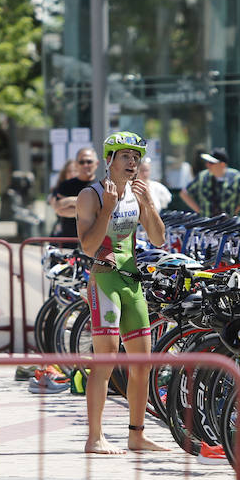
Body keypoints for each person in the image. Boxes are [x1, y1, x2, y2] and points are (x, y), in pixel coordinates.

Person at [74, 132, 167, 455]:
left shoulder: (137, 193)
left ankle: (136, 435)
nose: (132, 162)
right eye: (125, 156)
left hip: (132, 282)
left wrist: (148, 204)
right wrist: (107, 209)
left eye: (136, 157)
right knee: (106, 361)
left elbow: (157, 239)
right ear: (109, 160)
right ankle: (95, 437)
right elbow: (87, 246)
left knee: (142, 363)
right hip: (104, 282)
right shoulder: (92, 195)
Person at [180, 148, 240, 217]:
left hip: (228, 226)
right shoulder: (203, 176)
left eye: (212, 163)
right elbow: (184, 193)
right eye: (207, 162)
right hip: (206, 226)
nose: (207, 165)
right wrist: (199, 210)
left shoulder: (236, 177)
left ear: (222, 164)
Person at [48, 146, 99, 238]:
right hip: (68, 242)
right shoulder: (66, 185)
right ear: (76, 164)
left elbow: (101, 212)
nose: (85, 165)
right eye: (81, 162)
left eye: (89, 162)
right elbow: (59, 209)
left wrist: (69, 201)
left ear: (96, 163)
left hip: (93, 242)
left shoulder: (102, 186)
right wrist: (87, 207)